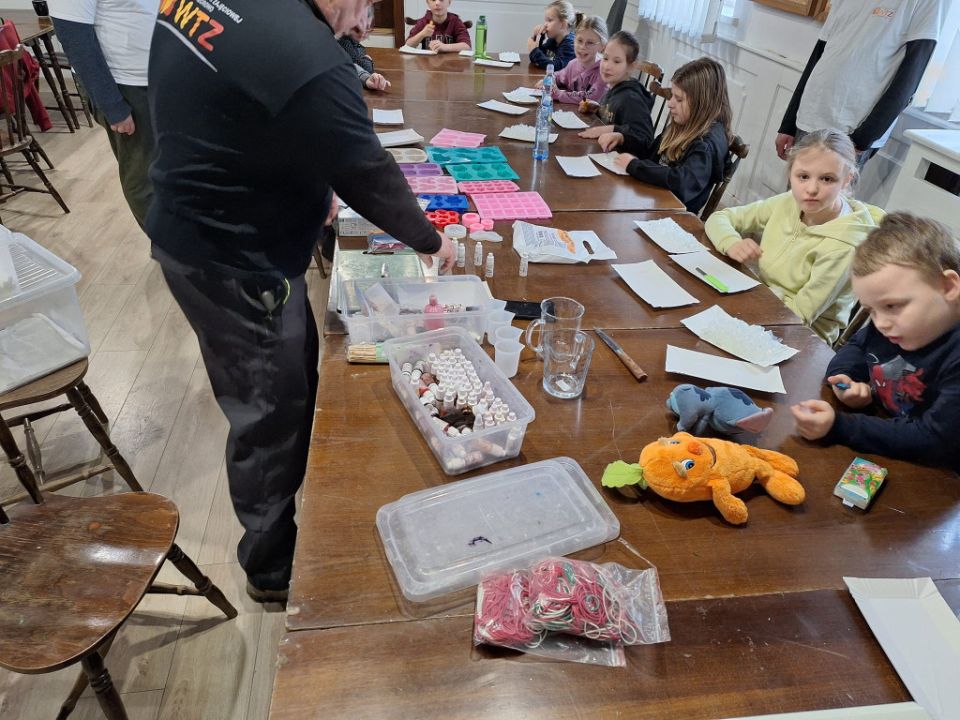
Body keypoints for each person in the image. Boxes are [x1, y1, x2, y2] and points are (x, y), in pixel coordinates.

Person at [148, 0, 455, 603]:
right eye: (366, 5)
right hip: (235, 258)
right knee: (271, 409)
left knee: (288, 380)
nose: (365, 25)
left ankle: (284, 526)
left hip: (189, 225)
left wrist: (301, 176)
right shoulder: (308, 56)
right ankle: (271, 568)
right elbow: (366, 169)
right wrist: (430, 239)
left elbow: (220, 100)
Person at [792, 213, 960, 473]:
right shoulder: (897, 324)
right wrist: (844, 377)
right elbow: (857, 346)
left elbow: (933, 440)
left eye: (892, 306)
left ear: (948, 287)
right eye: (871, 310)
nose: (880, 323)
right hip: (888, 436)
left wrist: (839, 426)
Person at [705, 129, 885, 344]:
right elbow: (720, 218)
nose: (811, 189)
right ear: (791, 173)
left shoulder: (845, 245)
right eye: (803, 176)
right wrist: (731, 243)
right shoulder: (789, 201)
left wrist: (751, 299)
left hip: (802, 338)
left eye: (827, 179)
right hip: (760, 304)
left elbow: (799, 316)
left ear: (847, 179)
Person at [776, 0, 941, 170]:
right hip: (808, 119)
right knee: (797, 186)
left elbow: (908, 82)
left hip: (850, 134)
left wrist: (862, 140)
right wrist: (788, 124)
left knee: (829, 187)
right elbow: (818, 57)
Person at [49, 0, 156, 229]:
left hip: (164, 75)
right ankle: (168, 245)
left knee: (176, 165)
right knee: (144, 176)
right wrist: (113, 106)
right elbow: (74, 36)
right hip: (128, 85)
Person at [610, 57, 731, 215]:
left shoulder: (706, 145)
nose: (670, 103)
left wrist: (635, 166)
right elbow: (650, 153)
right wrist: (624, 138)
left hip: (673, 216)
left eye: (679, 99)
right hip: (651, 198)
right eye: (672, 96)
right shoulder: (683, 122)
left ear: (702, 103)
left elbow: (681, 182)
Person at [575, 31, 653, 153]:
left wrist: (613, 130)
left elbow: (645, 140)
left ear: (631, 66)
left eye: (616, 61)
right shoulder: (614, 87)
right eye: (605, 58)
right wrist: (597, 109)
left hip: (621, 160)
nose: (607, 66)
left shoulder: (631, 99)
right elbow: (613, 115)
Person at [540, 15, 608, 106]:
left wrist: (559, 94)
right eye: (579, 40)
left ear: (602, 46)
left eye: (590, 43)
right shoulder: (573, 64)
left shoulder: (604, 71)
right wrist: (548, 81)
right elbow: (558, 76)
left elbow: (591, 97)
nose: (582, 47)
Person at [339, 11, 390, 90]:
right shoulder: (345, 41)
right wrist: (367, 60)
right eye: (358, 29)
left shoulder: (354, 42)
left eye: (368, 29)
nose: (363, 34)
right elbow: (364, 66)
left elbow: (360, 54)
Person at [528, 0, 577, 71]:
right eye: (545, 21)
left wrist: (534, 51)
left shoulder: (570, 44)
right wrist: (539, 38)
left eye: (549, 20)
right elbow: (539, 59)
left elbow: (555, 67)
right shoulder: (553, 40)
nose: (545, 24)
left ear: (563, 24)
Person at [406, 0, 471, 53]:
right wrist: (422, 34)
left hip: (450, 63)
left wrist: (444, 47)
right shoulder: (423, 22)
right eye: (433, 0)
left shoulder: (456, 22)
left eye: (441, 0)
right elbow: (407, 46)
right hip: (427, 63)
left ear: (449, 2)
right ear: (428, 3)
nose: (437, 3)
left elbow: (467, 46)